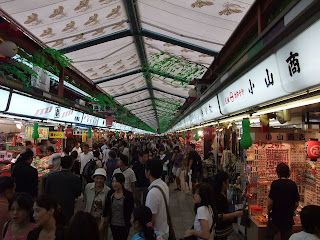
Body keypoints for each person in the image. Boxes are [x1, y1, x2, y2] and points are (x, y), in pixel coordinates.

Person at [267, 163, 300, 240]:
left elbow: (270, 202)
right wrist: (291, 210)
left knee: (275, 234)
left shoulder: (275, 184)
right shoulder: (293, 184)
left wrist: (268, 213)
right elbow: (296, 203)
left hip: (276, 216)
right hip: (288, 218)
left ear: (278, 172)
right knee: (287, 236)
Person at [99, 173, 135, 240]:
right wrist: (102, 222)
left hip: (124, 224)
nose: (114, 184)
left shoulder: (128, 195)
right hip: (113, 223)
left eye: (117, 181)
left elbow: (131, 210)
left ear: (122, 183)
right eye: (113, 181)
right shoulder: (110, 193)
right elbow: (106, 208)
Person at [45, 156, 81, 221]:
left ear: (60, 164)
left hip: (53, 206)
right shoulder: (75, 178)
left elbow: (47, 191)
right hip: (68, 206)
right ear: (72, 165)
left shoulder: (51, 176)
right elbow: (77, 194)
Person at [213, 171, 243, 240]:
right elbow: (220, 216)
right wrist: (235, 214)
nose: (228, 184)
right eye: (227, 181)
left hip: (224, 230)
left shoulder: (222, 193)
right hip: (220, 231)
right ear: (224, 183)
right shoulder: (218, 197)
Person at [145, 159, 169, 240]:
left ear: (148, 172)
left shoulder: (153, 192)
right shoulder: (163, 185)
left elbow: (152, 219)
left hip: (157, 234)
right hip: (164, 230)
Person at [84, 168, 110, 240]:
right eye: (97, 178)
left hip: (101, 220)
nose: (99, 180)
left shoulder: (108, 191)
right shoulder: (88, 187)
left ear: (104, 180)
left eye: (101, 178)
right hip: (89, 219)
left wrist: (103, 222)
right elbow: (85, 201)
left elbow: (107, 208)